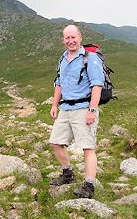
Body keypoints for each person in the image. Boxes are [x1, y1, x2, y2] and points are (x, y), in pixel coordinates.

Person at [49, 24, 104, 199]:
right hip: (65, 108)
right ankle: (68, 175)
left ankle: (89, 186)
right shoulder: (63, 58)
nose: (70, 41)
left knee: (87, 147)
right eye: (67, 38)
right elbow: (58, 83)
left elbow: (97, 85)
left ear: (80, 38)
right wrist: (54, 105)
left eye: (73, 37)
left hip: (83, 108)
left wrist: (92, 110)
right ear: (63, 40)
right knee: (55, 143)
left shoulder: (91, 58)